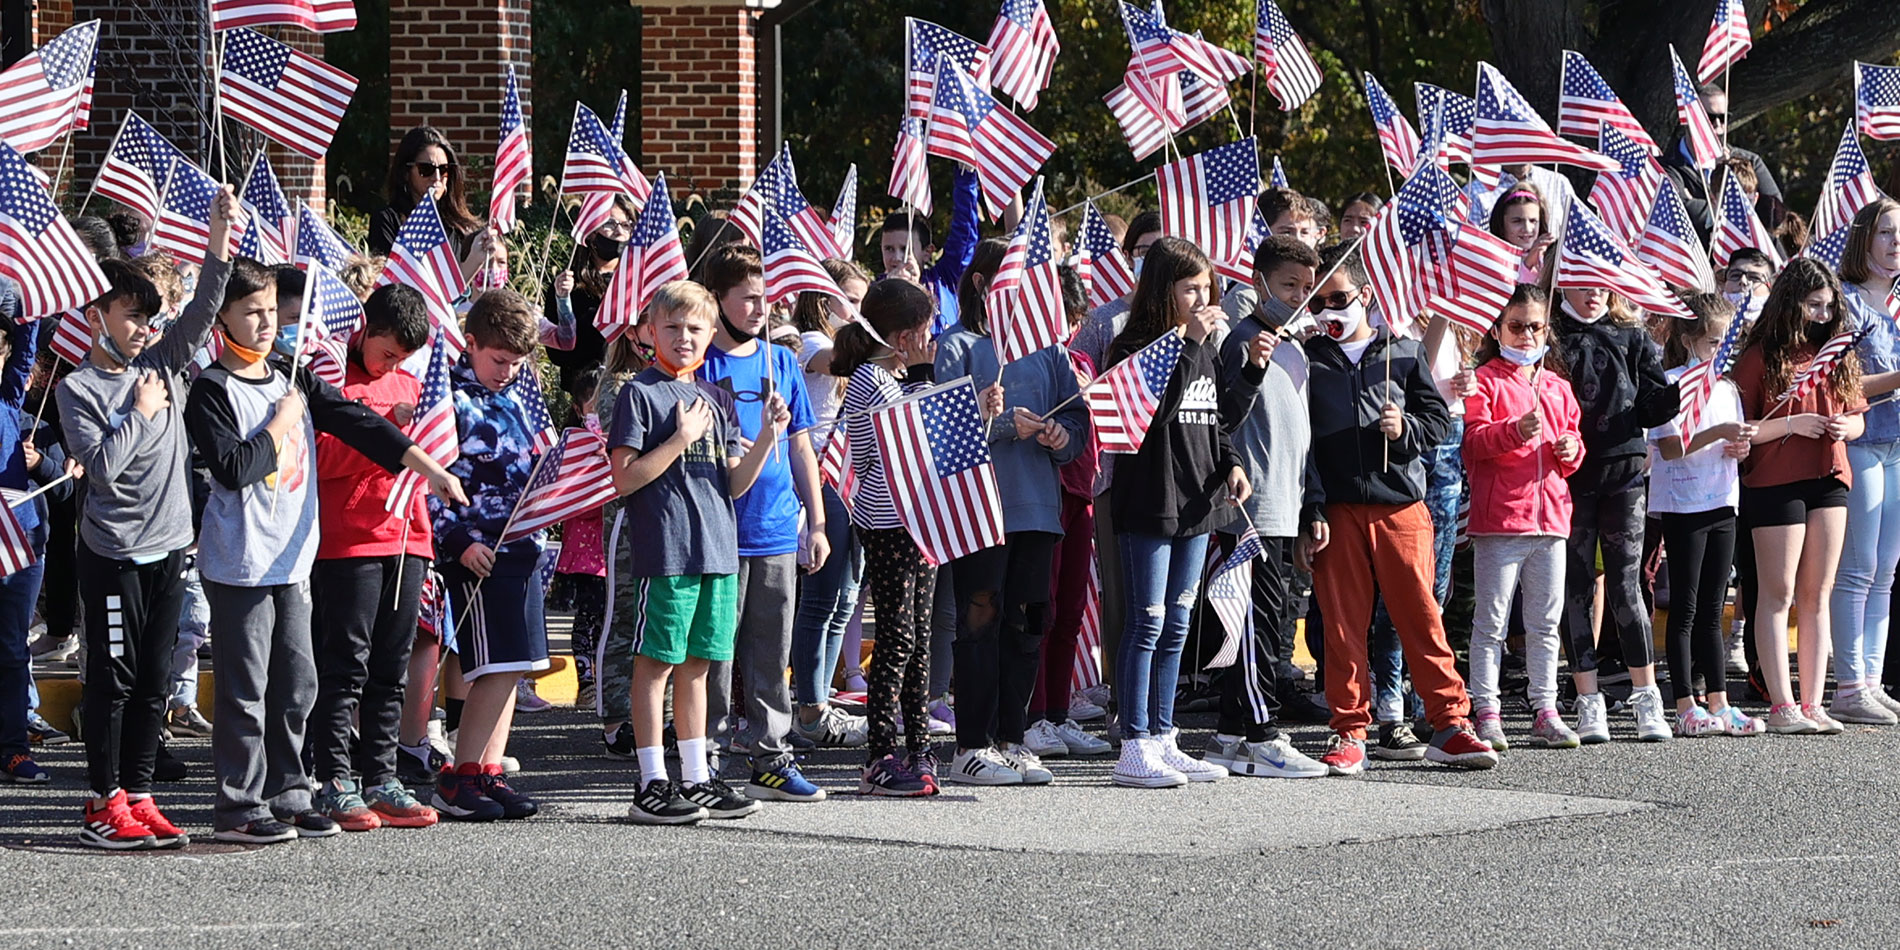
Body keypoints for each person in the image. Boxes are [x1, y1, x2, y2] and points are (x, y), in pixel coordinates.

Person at [186, 259, 465, 843]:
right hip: (240, 560)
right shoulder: (212, 387)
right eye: (254, 313)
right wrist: (283, 423)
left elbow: (357, 422)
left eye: (273, 313)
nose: (267, 324)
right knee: (246, 688)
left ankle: (290, 794)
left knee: (297, 683)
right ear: (224, 319)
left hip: (292, 560)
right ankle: (240, 806)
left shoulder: (294, 376)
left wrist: (427, 465)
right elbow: (235, 468)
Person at [57, 187, 235, 849]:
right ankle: (102, 802)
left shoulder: (162, 361)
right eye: (131, 316)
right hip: (112, 556)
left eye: (147, 319)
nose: (142, 329)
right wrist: (142, 414)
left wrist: (219, 238)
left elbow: (207, 310)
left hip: (169, 551)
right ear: (101, 313)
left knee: (155, 679)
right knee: (114, 680)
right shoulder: (79, 388)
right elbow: (100, 469)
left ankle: (138, 793)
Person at [1298, 243, 1497, 774]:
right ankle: (1350, 731)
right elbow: (1302, 444)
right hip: (1337, 507)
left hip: (1400, 506)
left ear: (1366, 295)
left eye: (1337, 299)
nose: (1327, 312)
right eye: (1316, 304)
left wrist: (1404, 429)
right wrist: (1311, 507)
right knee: (1343, 626)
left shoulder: (1404, 351)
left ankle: (1450, 723)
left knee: (1420, 616)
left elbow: (1438, 421)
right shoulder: (1309, 360)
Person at [609, 280, 782, 824]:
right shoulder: (639, 393)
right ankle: (651, 782)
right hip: (668, 552)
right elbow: (624, 479)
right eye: (673, 327)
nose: (684, 337)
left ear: (710, 335)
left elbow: (732, 485)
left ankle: (697, 777)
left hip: (717, 550)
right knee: (657, 663)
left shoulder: (719, 397)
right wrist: (678, 440)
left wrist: (767, 439)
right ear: (649, 333)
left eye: (694, 328)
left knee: (700, 667)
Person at [934, 239, 1088, 784]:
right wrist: (999, 423)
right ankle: (969, 746)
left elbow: (1078, 430)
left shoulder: (1050, 351)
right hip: (980, 508)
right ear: (982, 283)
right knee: (980, 617)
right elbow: (941, 436)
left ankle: (1012, 737)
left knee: (1029, 622)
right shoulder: (957, 344)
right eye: (1014, 281)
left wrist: (1055, 434)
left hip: (1039, 507)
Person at [1103, 237, 1249, 788]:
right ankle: (1134, 740)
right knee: (1147, 620)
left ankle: (1164, 734)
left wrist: (1231, 462)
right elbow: (1151, 417)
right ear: (1164, 291)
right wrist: (1188, 344)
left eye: (1207, 287)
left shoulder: (1204, 345)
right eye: (1191, 288)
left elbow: (1214, 419)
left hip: (1199, 499)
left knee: (1180, 620)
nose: (1203, 297)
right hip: (1151, 500)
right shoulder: (1133, 348)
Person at [308, 284, 451, 829]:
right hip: (348, 540)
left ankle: (382, 776)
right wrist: (385, 437)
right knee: (345, 665)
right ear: (364, 328)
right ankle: (334, 778)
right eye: (387, 352)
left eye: (404, 358)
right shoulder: (331, 376)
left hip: (406, 536)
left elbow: (434, 449)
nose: (394, 364)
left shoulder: (415, 382)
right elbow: (317, 455)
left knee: (391, 668)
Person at [695, 245, 830, 801]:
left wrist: (815, 521)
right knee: (716, 651)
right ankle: (706, 756)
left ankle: (772, 756)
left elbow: (802, 444)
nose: (759, 307)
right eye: (747, 297)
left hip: (776, 528)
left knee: (772, 652)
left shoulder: (783, 361)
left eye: (765, 297)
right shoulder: (700, 361)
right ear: (720, 298)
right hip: (720, 529)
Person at [1201, 236, 1329, 778]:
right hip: (1248, 505)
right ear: (1258, 284)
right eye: (1286, 286)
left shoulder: (1297, 348)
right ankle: (1262, 732)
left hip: (1288, 501)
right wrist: (1251, 369)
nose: (1298, 296)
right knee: (1254, 621)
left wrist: (1314, 506)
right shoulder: (1240, 340)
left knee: (1270, 617)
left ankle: (1230, 733)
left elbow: (1304, 436)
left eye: (1306, 287)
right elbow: (1221, 420)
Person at [428, 290, 554, 821]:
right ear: (472, 343)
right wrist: (459, 540)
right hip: (479, 548)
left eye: (517, 362)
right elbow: (430, 480)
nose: (507, 371)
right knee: (491, 666)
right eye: (498, 359)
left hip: (522, 545)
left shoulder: (518, 398)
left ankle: (489, 768)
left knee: (515, 666)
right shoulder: (450, 399)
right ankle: (459, 777)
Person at [1735, 258, 1865, 733]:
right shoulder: (1760, 356)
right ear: (1791, 302)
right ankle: (1782, 704)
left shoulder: (1837, 352)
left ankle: (1812, 702)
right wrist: (1791, 424)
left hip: (1829, 474)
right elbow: (1740, 427)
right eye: (1814, 305)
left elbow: (1858, 416)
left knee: (1817, 594)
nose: (1823, 314)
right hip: (1774, 482)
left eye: (1829, 306)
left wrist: (1844, 426)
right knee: (1778, 593)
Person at [1551, 286, 1679, 742]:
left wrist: (1674, 395)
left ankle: (1647, 698)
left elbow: (1650, 401)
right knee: (1577, 586)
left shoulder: (1631, 333)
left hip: (1623, 472)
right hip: (1568, 474)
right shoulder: (1550, 330)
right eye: (1583, 285)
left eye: (1602, 286)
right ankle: (1588, 701)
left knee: (1626, 585)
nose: (1593, 295)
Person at [1462, 285, 1585, 750]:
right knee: (1491, 624)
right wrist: (1513, 431)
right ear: (1498, 329)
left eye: (1536, 326)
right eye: (1517, 326)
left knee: (1544, 623)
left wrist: (1572, 451)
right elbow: (1472, 443)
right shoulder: (1486, 380)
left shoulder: (1557, 386)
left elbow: (1572, 445)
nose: (1528, 335)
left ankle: (1545, 707)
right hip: (1500, 520)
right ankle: (1487, 709)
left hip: (1551, 520)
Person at [836, 278, 943, 797]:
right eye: (925, 332)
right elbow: (909, 442)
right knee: (898, 637)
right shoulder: (869, 380)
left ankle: (918, 743)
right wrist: (925, 376)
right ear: (903, 339)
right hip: (888, 522)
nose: (932, 341)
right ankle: (880, 754)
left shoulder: (889, 378)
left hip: (918, 519)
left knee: (919, 637)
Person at [1649, 293, 1766, 738]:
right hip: (1684, 504)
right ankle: (1683, 703)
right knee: (1685, 605)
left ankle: (1719, 699)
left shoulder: (1727, 388)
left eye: (1723, 341)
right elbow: (1671, 447)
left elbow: (1733, 448)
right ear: (1687, 337)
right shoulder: (1671, 384)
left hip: (1721, 499)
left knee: (1715, 606)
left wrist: (1738, 446)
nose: (1717, 349)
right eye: (1710, 340)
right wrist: (1717, 432)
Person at [1028, 266, 1113, 756]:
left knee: (1071, 612)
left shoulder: (1082, 359)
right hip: (1042, 495)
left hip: (1081, 494)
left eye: (1064, 311)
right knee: (1042, 607)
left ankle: (1058, 713)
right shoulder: (1024, 361)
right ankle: (1033, 715)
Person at [788, 260, 872, 747]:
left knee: (846, 597)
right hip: (821, 476)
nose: (860, 311)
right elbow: (836, 363)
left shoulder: (844, 343)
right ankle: (809, 707)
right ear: (824, 299)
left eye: (864, 301)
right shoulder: (814, 343)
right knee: (821, 598)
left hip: (852, 479)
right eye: (853, 300)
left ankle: (821, 697)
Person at [1827, 199, 1900, 725]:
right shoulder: (1846, 302)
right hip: (1862, 441)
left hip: (1899, 445)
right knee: (1858, 568)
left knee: (1888, 570)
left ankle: (1870, 682)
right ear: (1864, 240)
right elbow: (1843, 384)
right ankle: (1847, 684)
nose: (1897, 243)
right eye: (1887, 234)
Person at [0, 279, 48, 784]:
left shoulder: (11, 402)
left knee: (13, 649)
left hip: (19, 542)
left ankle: (13, 748)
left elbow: (25, 346)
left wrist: (29, 301)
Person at [368, 127, 495, 284]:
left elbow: (453, 291)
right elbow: (387, 280)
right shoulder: (387, 219)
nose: (436, 177)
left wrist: (476, 258)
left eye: (443, 170)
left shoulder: (457, 227)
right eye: (426, 169)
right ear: (406, 173)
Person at [553, 366, 608, 708]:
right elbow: (569, 496)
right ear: (577, 408)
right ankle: (586, 681)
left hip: (613, 542)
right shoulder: (572, 445)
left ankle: (607, 679)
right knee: (588, 615)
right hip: (586, 548)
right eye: (593, 404)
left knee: (609, 618)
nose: (600, 411)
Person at [1664, 83, 1781, 237]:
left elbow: (1774, 211)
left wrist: (1726, 177)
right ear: (1689, 118)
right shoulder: (1667, 166)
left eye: (1724, 118)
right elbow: (1681, 211)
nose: (1718, 126)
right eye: (1710, 118)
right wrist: (1745, 208)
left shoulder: (1750, 161)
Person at [546, 195, 636, 389]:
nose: (619, 232)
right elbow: (558, 353)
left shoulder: (637, 282)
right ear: (592, 232)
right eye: (610, 224)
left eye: (626, 225)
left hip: (630, 385)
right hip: (585, 391)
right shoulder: (568, 286)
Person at [879, 167, 981, 335]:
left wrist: (966, 177)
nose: (896, 258)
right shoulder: (874, 292)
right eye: (889, 249)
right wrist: (893, 291)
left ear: (928, 251)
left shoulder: (943, 279)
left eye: (906, 249)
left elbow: (965, 234)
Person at [1487, 185, 1555, 283]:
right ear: (1501, 225)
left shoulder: (1546, 258)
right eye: (1517, 221)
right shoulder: (1491, 259)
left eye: (1533, 221)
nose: (1527, 228)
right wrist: (1527, 265)